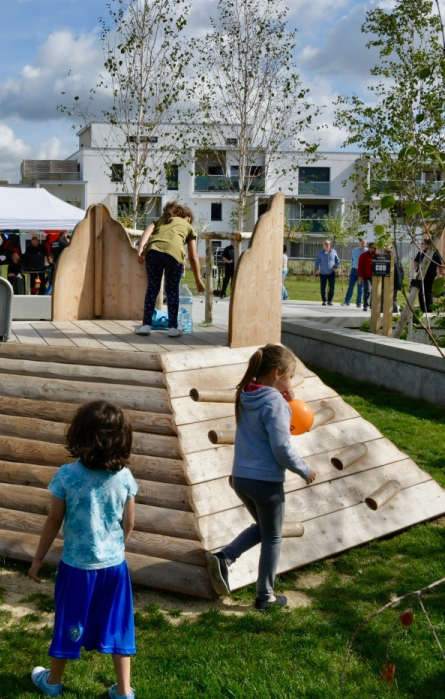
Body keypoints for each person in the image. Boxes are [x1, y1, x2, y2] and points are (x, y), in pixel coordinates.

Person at [28, 400, 138, 699]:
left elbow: (53, 520)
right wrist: (116, 547)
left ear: (79, 435)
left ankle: (52, 683)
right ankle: (124, 691)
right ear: (122, 439)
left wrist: (38, 559)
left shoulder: (67, 475)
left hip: (77, 567)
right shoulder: (125, 477)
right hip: (114, 567)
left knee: (69, 619)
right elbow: (129, 523)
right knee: (118, 622)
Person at [206, 344, 315, 610]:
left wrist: (285, 400)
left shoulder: (246, 394)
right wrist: (303, 469)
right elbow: (281, 447)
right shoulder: (275, 401)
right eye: (289, 377)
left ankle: (226, 557)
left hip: (241, 478)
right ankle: (265, 596)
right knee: (273, 537)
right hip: (266, 482)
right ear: (278, 373)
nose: (290, 383)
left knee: (264, 528)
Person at [134, 202, 205, 337]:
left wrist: (141, 248)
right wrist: (198, 280)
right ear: (187, 217)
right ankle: (173, 328)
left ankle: (146, 325)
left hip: (153, 252)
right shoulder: (188, 226)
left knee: (152, 288)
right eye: (191, 219)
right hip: (174, 254)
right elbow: (193, 256)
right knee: (172, 290)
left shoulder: (163, 219)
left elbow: (148, 231)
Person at [414, 238, 445, 314]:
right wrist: (441, 272)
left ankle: (423, 309)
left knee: (421, 292)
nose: (423, 245)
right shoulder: (435, 253)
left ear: (426, 244)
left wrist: (416, 269)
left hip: (422, 274)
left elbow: (415, 263)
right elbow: (439, 265)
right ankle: (429, 309)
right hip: (431, 275)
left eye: (423, 244)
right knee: (428, 292)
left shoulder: (421, 253)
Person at [343, 237, 367, 308]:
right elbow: (352, 260)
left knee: (360, 288)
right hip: (354, 270)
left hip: (361, 272)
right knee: (350, 287)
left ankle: (358, 303)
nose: (363, 244)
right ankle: (347, 301)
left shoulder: (367, 252)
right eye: (362, 243)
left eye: (365, 243)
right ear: (359, 243)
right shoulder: (355, 250)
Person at [315, 239, 340, 306]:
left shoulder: (334, 252)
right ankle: (324, 300)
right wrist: (316, 270)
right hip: (323, 273)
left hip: (331, 273)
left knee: (331, 287)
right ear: (323, 245)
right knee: (323, 287)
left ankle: (329, 300)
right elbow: (317, 262)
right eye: (326, 244)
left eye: (328, 244)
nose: (327, 245)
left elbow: (337, 260)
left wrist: (336, 266)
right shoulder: (320, 253)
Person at [357, 242, 376, 311]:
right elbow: (360, 266)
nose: (372, 249)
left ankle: (373, 305)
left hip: (376, 277)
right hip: (367, 276)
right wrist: (360, 276)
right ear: (369, 248)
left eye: (374, 248)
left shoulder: (378, 255)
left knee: (375, 291)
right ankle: (366, 305)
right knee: (367, 290)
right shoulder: (364, 255)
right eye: (371, 248)